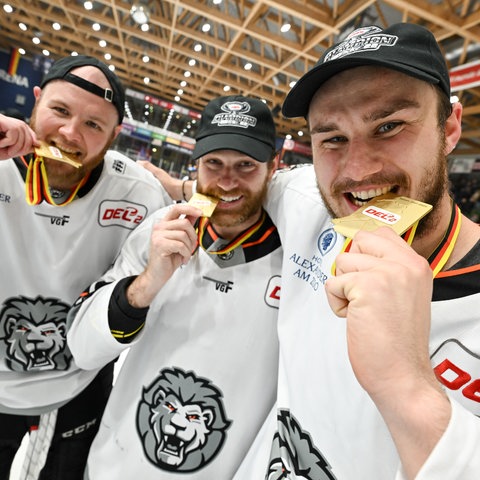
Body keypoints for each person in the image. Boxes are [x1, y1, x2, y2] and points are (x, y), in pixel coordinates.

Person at [230, 22, 480, 479]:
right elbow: (244, 190)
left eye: (388, 126)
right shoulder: (307, 205)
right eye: (332, 139)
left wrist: (408, 386)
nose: (358, 168)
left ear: (449, 127)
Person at [67, 95, 283, 479]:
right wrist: (146, 284)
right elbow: (83, 348)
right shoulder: (159, 229)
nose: (227, 180)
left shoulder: (297, 255)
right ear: (196, 164)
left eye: (246, 165)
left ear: (274, 167)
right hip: (112, 466)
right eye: (213, 163)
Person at [0, 55, 172, 480]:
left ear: (115, 135)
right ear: (36, 101)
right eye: (60, 110)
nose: (70, 133)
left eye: (94, 125)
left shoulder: (139, 194)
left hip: (77, 388)